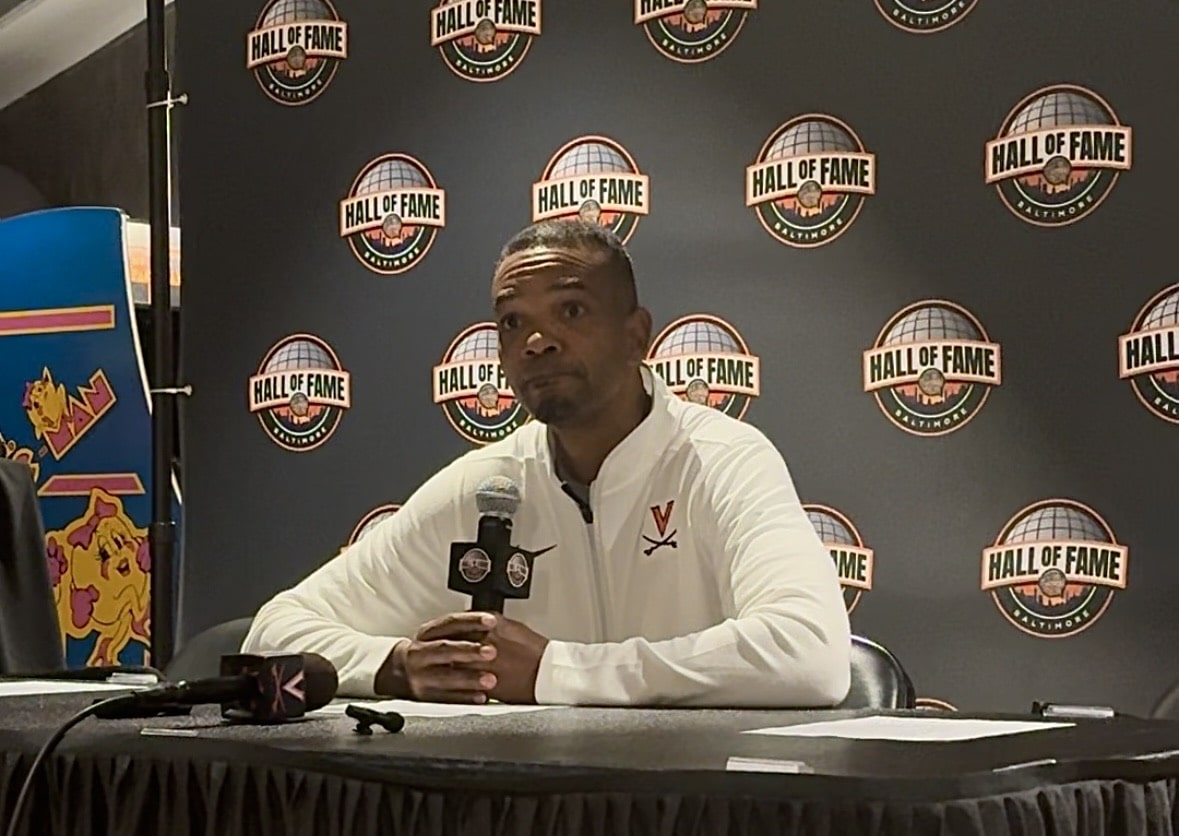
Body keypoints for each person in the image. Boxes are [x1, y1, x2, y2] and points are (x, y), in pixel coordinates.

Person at [242, 220, 851, 707]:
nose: (538, 342)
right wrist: (396, 667)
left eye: (572, 312)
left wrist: (554, 671)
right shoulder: (490, 485)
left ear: (638, 335)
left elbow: (809, 653)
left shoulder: (720, 461)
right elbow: (275, 630)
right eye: (513, 323)